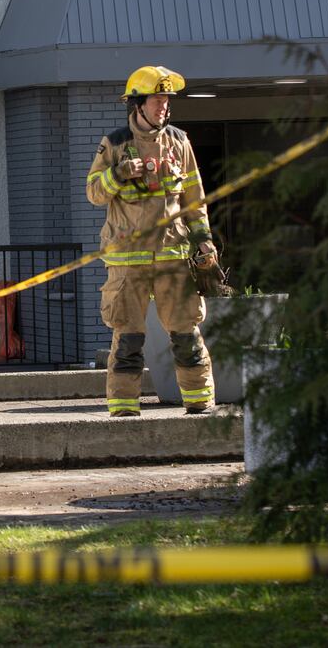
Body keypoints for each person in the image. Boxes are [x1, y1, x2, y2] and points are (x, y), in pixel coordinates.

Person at [85, 65, 221, 417]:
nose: (163, 106)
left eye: (166, 100)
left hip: (172, 256)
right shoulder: (114, 144)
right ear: (137, 104)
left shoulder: (179, 142)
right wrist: (118, 174)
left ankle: (199, 401)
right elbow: (94, 193)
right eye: (156, 99)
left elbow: (194, 197)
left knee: (186, 333)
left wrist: (204, 241)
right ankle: (124, 408)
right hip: (127, 259)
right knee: (128, 337)